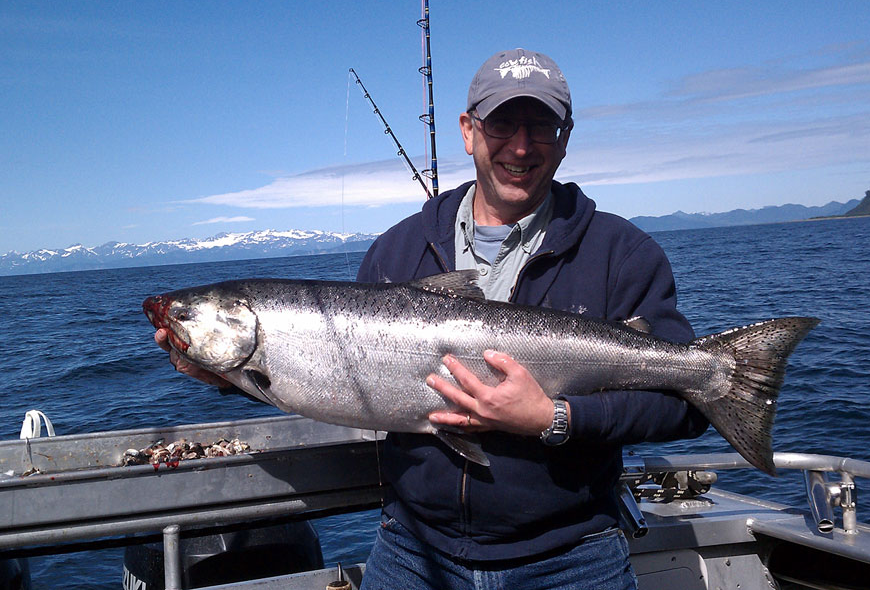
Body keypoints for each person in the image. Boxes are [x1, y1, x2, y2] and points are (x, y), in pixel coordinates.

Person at [155, 47, 708, 589]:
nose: (520, 146)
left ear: (564, 139)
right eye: (501, 124)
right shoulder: (396, 252)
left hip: (572, 556)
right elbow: (329, 376)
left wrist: (552, 417)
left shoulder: (621, 252)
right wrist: (227, 377)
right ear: (468, 131)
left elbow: (684, 407)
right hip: (413, 550)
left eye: (540, 127)